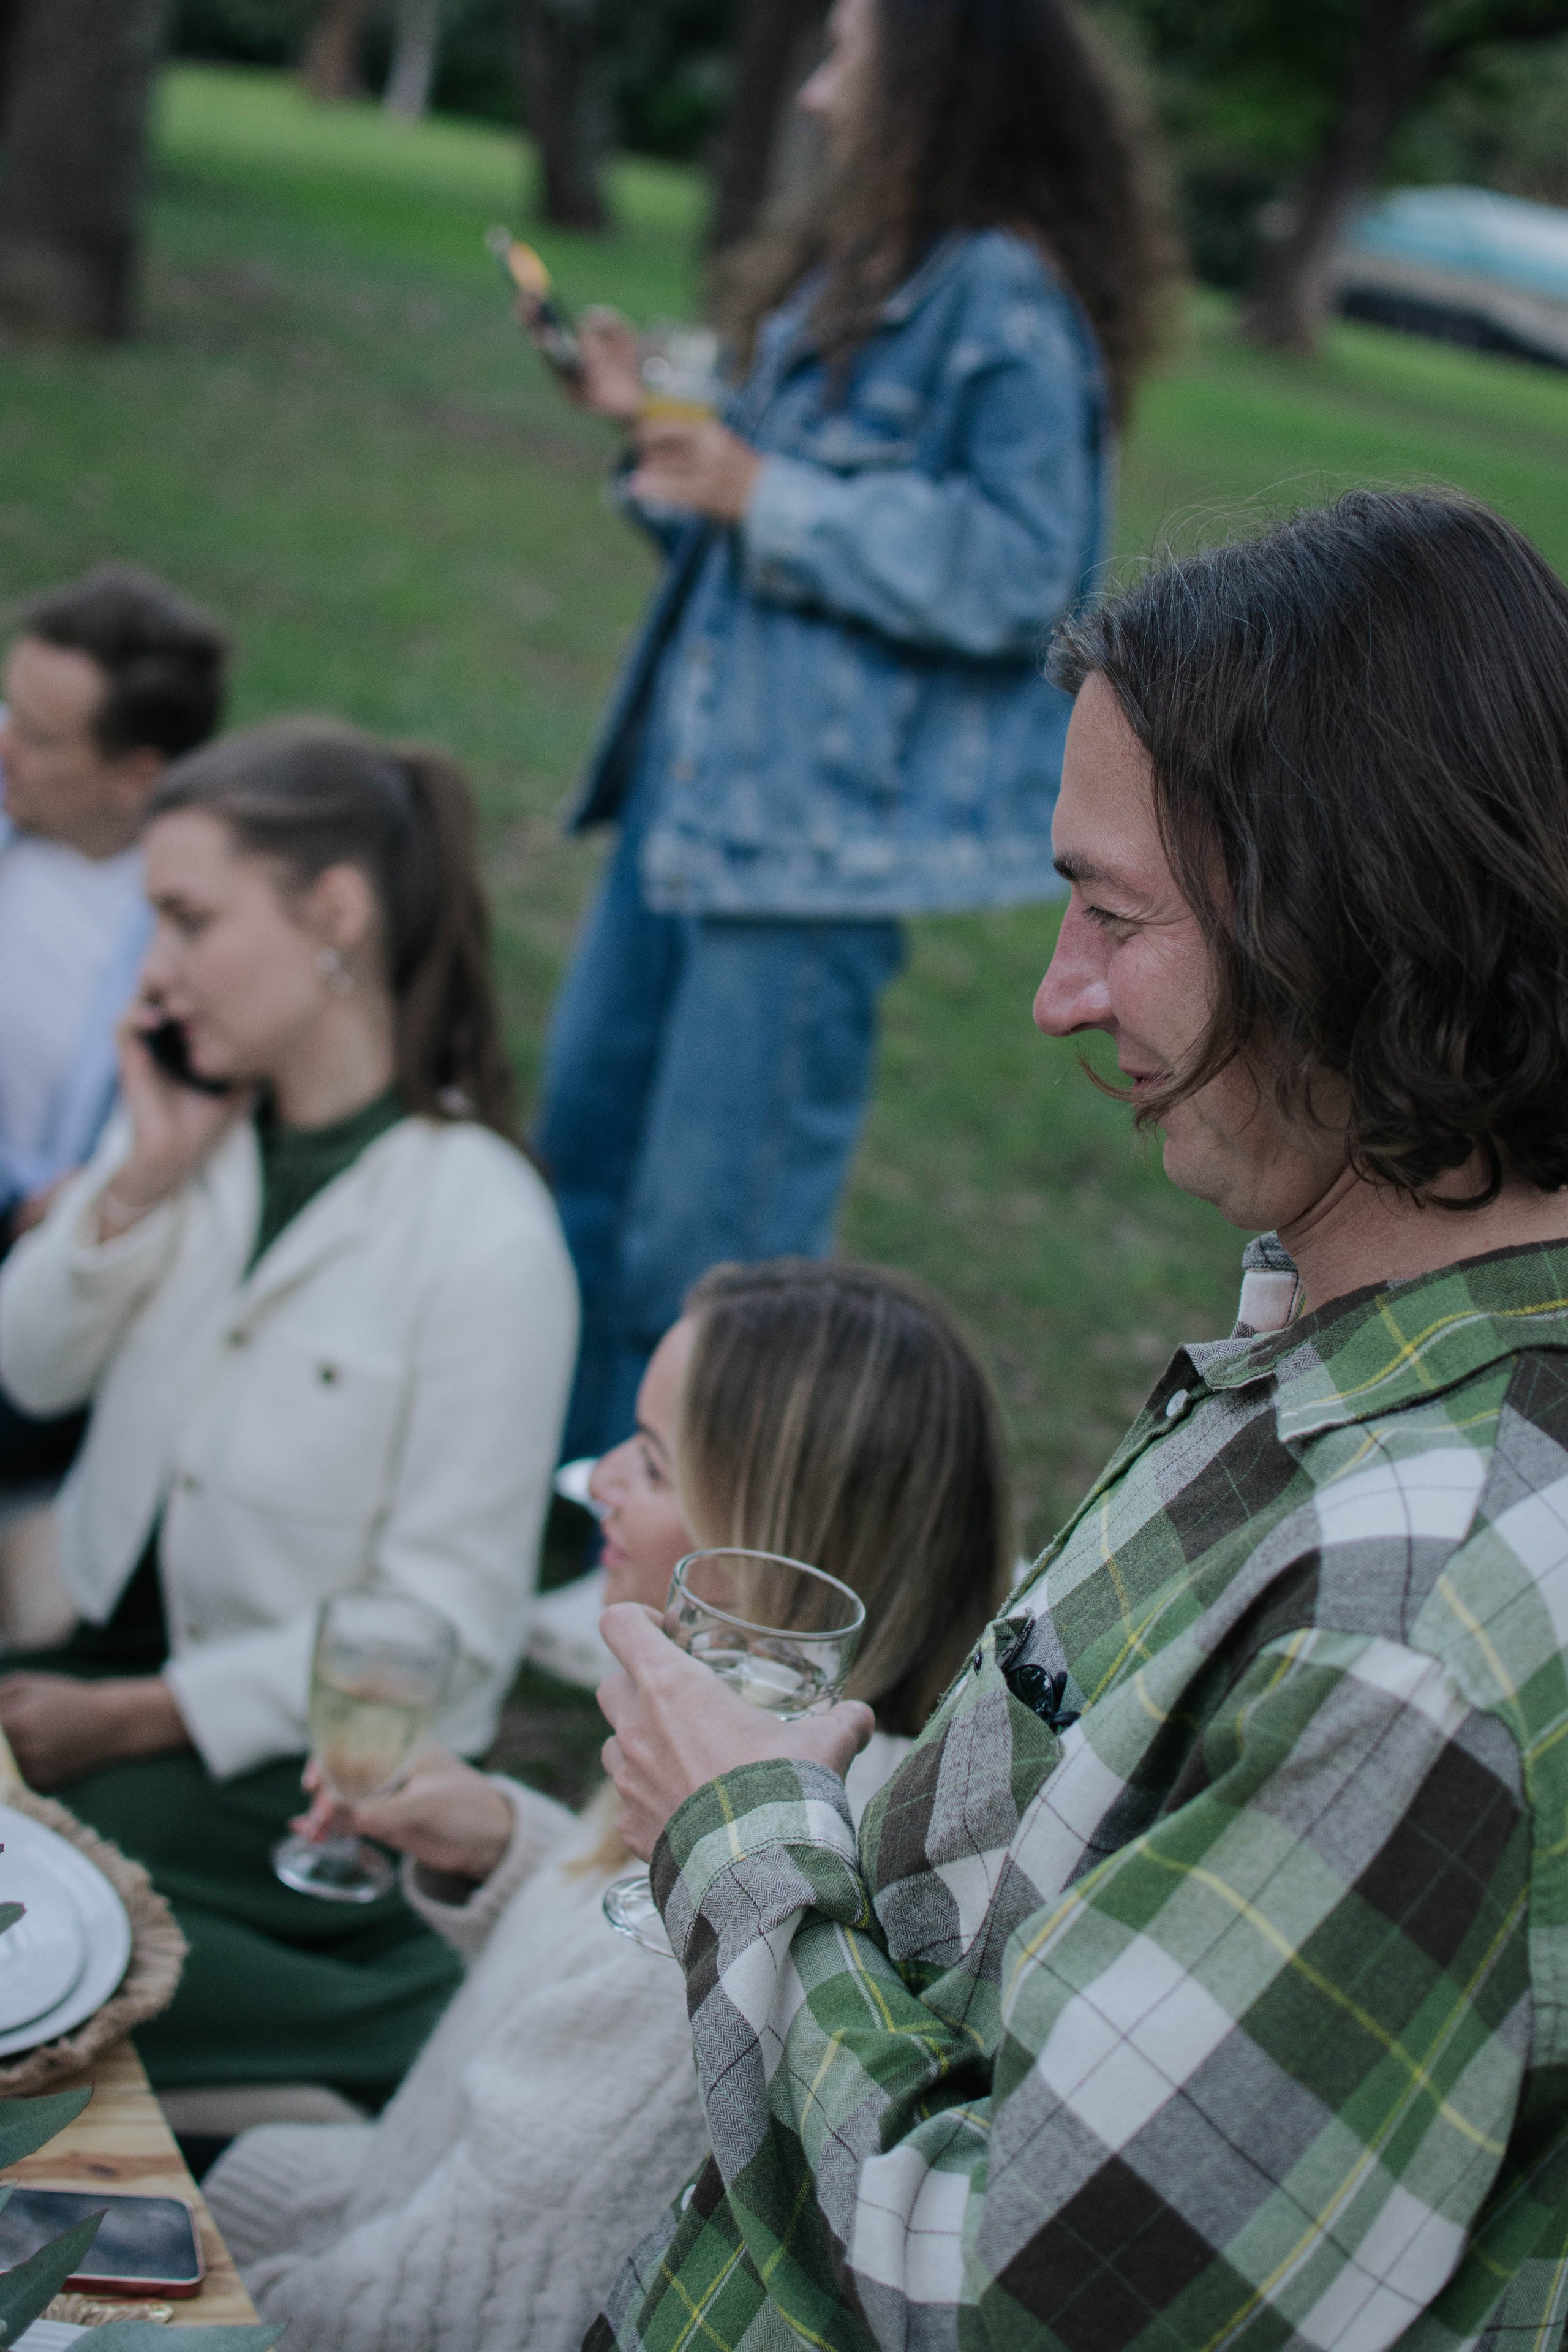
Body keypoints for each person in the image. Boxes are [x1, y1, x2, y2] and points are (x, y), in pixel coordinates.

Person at [592, 489, 1568, 2352]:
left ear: (1350, 916)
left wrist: (742, 1839)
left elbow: (1029, 2301)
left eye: (1113, 916)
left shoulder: (1412, 1621)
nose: (1057, 998)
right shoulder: (1331, 1320)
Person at [534, 0, 1173, 1458]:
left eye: (847, 59)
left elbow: (1028, 573)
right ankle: (565, 1518)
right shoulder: (846, 276)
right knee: (580, 1175)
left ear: (936, 85)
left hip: (802, 856)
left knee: (711, 1250)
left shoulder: (1007, 301)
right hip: (680, 807)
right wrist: (659, 436)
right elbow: (755, 537)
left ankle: (685, 1563)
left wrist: (763, 493)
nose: (819, 96)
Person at [200, 1256, 1011, 2352]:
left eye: (656, 1462)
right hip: (352, 2207)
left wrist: (175, 2299)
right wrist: (501, 1842)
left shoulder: (741, 1868)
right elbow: (587, 1979)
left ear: (770, 1545)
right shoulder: (761, 1764)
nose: (602, 1481)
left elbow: (435, 2301)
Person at [0, 718, 578, 2100]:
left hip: (287, 1778)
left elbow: (449, 1633)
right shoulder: (192, 1135)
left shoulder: (483, 1233)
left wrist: (141, 1716)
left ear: (334, 914)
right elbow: (25, 1370)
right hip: (83, 1678)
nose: (156, 972)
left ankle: (358, 2035)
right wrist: (137, 1177)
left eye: (190, 920)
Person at [0, 565, 229, 1490]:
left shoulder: (196, 921)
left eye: (38, 737)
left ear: (139, 774)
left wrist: (92, 1193)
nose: (4, 745)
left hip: (54, 1239)